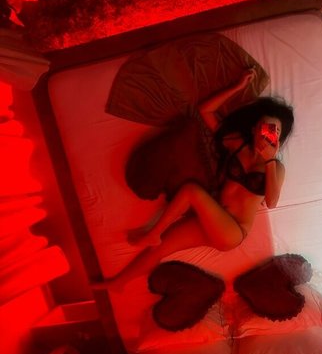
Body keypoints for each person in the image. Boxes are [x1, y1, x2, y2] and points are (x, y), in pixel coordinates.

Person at [95, 68, 294, 290]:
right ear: (255, 128)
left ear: (279, 137)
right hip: (213, 219)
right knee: (161, 248)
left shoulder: (276, 167)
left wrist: (269, 160)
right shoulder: (237, 144)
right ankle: (118, 283)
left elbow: (272, 201)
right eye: (265, 127)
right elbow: (205, 110)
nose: (267, 134)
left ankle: (153, 232)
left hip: (233, 232)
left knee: (191, 191)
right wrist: (236, 87)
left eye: (275, 131)